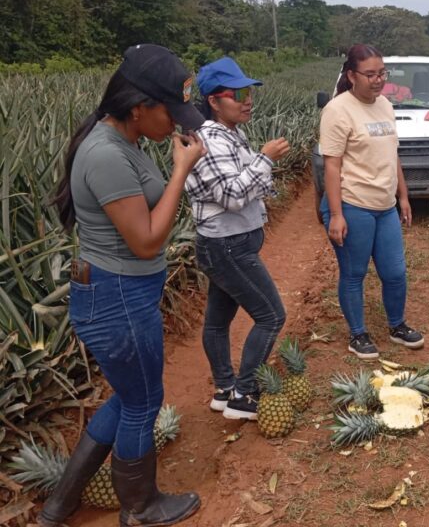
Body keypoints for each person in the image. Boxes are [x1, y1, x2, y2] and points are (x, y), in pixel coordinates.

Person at [46, 44, 207, 527]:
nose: (176, 125)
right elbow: (146, 241)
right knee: (142, 401)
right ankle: (140, 507)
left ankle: (61, 503)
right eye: (169, 113)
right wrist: (181, 171)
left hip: (119, 293)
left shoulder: (123, 141)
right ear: (139, 108)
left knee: (127, 394)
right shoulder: (107, 155)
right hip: (117, 297)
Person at [185, 57, 290, 420]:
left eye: (249, 92)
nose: (248, 100)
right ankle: (243, 395)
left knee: (218, 320)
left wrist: (258, 166)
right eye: (239, 93)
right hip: (227, 245)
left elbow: (249, 187)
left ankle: (223, 388)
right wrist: (264, 159)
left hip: (229, 242)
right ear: (214, 101)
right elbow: (232, 195)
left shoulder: (232, 133)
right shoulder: (211, 140)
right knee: (271, 316)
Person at [319, 44, 424, 360]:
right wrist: (336, 214)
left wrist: (402, 196)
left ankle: (397, 325)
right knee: (354, 274)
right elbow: (332, 165)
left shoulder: (385, 106)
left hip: (384, 207)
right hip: (353, 205)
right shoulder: (338, 110)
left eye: (382, 73)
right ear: (351, 75)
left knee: (395, 272)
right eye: (370, 74)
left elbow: (392, 154)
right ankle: (358, 334)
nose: (378, 80)